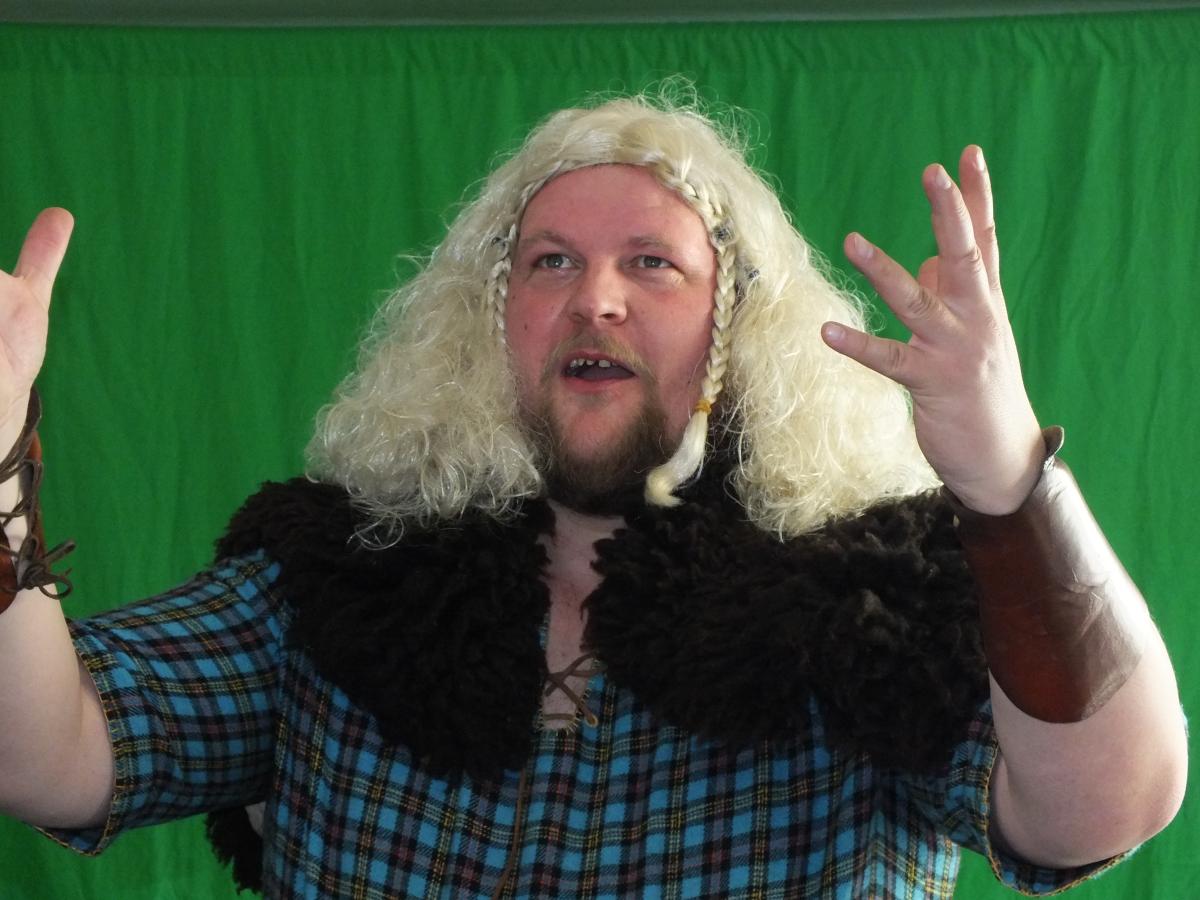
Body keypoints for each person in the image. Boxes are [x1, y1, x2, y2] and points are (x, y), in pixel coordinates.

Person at [0, 94, 1187, 899]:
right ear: (495, 323)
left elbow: (1111, 807)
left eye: (652, 263)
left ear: (735, 329)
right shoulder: (340, 570)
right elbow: (51, 757)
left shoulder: (867, 596)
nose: (595, 299)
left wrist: (1007, 482)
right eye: (551, 261)